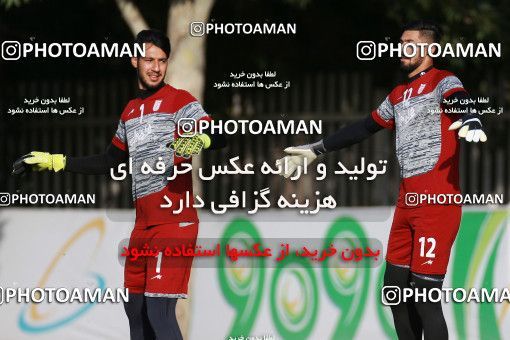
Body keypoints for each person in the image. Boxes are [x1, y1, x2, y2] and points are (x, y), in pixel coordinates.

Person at [276, 20, 486, 340]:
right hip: (407, 201)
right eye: (400, 42)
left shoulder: (443, 80)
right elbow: (363, 127)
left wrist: (470, 116)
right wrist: (316, 149)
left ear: (430, 48)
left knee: (425, 297)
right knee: (394, 292)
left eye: (410, 43)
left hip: (437, 202)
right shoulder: (398, 94)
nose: (401, 49)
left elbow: (459, 99)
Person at [12, 29, 226, 340]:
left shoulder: (181, 102)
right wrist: (53, 161)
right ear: (135, 60)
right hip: (143, 227)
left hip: (174, 223)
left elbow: (221, 134)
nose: (156, 67)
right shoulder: (129, 112)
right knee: (135, 312)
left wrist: (201, 138)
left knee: (159, 312)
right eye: (149, 60)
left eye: (162, 61)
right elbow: (109, 160)